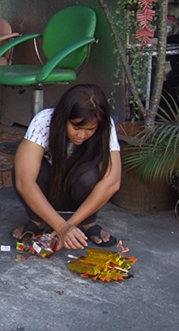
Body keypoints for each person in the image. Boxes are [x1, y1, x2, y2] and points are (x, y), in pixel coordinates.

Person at [11, 84, 121, 250]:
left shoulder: (107, 127)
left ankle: (87, 223)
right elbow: (23, 181)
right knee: (25, 169)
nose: (82, 135)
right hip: (49, 189)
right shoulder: (44, 121)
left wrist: (69, 226)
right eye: (76, 127)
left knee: (92, 176)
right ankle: (37, 220)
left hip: (78, 191)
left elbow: (112, 182)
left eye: (90, 129)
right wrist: (61, 228)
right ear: (64, 117)